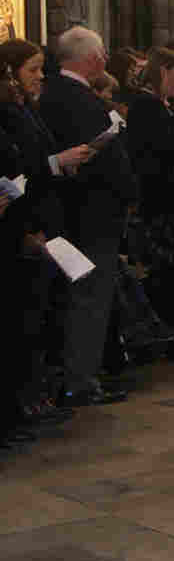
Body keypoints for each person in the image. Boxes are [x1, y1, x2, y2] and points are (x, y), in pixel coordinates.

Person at [40, 26, 137, 407]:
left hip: (69, 214)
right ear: (92, 58)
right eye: (101, 54)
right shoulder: (80, 99)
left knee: (77, 300)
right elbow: (106, 162)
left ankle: (74, 377)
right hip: (93, 217)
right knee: (89, 301)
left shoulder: (52, 95)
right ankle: (80, 381)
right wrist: (129, 194)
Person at [0, 40, 86, 437]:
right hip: (16, 229)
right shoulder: (7, 113)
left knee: (34, 320)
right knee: (17, 324)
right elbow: (21, 165)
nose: (39, 77)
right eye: (32, 69)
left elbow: (33, 159)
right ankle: (17, 406)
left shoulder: (24, 109)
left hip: (36, 222)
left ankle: (32, 398)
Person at [125, 48, 174, 338]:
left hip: (170, 202)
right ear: (163, 72)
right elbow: (164, 154)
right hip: (161, 205)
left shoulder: (157, 105)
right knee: (169, 271)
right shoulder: (147, 107)